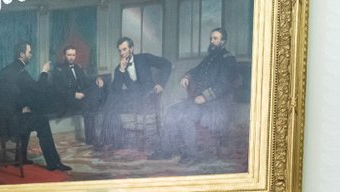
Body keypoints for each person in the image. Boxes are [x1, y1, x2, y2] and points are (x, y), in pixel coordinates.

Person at [152, 28, 240, 164]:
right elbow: (196, 70)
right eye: (211, 38)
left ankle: (192, 155)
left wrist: (205, 97)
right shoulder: (210, 58)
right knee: (171, 111)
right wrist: (187, 77)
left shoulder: (228, 60)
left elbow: (224, 85)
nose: (212, 41)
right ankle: (166, 150)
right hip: (197, 101)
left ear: (223, 41)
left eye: (215, 39)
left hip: (214, 105)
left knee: (185, 117)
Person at [0, 41, 71, 172]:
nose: (31, 55)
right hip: (11, 123)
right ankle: (54, 163)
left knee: (29, 115)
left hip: (1, 120)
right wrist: (44, 72)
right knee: (42, 121)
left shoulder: (7, 70)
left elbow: (7, 95)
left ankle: (21, 158)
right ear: (21, 54)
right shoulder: (20, 72)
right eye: (29, 52)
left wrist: (21, 107)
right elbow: (38, 89)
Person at [95, 36, 171, 151]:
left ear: (131, 49)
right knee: (112, 97)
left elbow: (167, 64)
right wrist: (121, 70)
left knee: (112, 101)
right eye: (120, 50)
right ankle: (115, 140)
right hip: (133, 98)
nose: (122, 53)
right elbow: (116, 89)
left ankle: (106, 140)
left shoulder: (144, 58)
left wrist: (160, 84)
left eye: (124, 49)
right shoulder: (119, 68)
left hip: (148, 96)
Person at [50, 45, 102, 144]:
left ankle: (92, 138)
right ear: (64, 56)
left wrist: (96, 80)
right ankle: (92, 139)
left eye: (73, 55)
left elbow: (86, 81)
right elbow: (58, 90)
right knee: (89, 106)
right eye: (69, 55)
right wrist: (74, 94)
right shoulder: (58, 70)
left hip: (80, 97)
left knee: (91, 101)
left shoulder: (78, 68)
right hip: (66, 100)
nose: (71, 57)